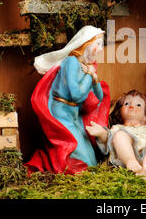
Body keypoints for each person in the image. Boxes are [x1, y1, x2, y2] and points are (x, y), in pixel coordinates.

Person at [24, 25, 110, 175]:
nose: (101, 49)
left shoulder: (86, 67)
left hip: (74, 115)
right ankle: (52, 164)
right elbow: (77, 94)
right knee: (82, 160)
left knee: (92, 161)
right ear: (87, 44)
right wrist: (89, 76)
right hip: (62, 113)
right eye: (98, 44)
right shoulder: (71, 62)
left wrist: (94, 79)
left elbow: (99, 97)